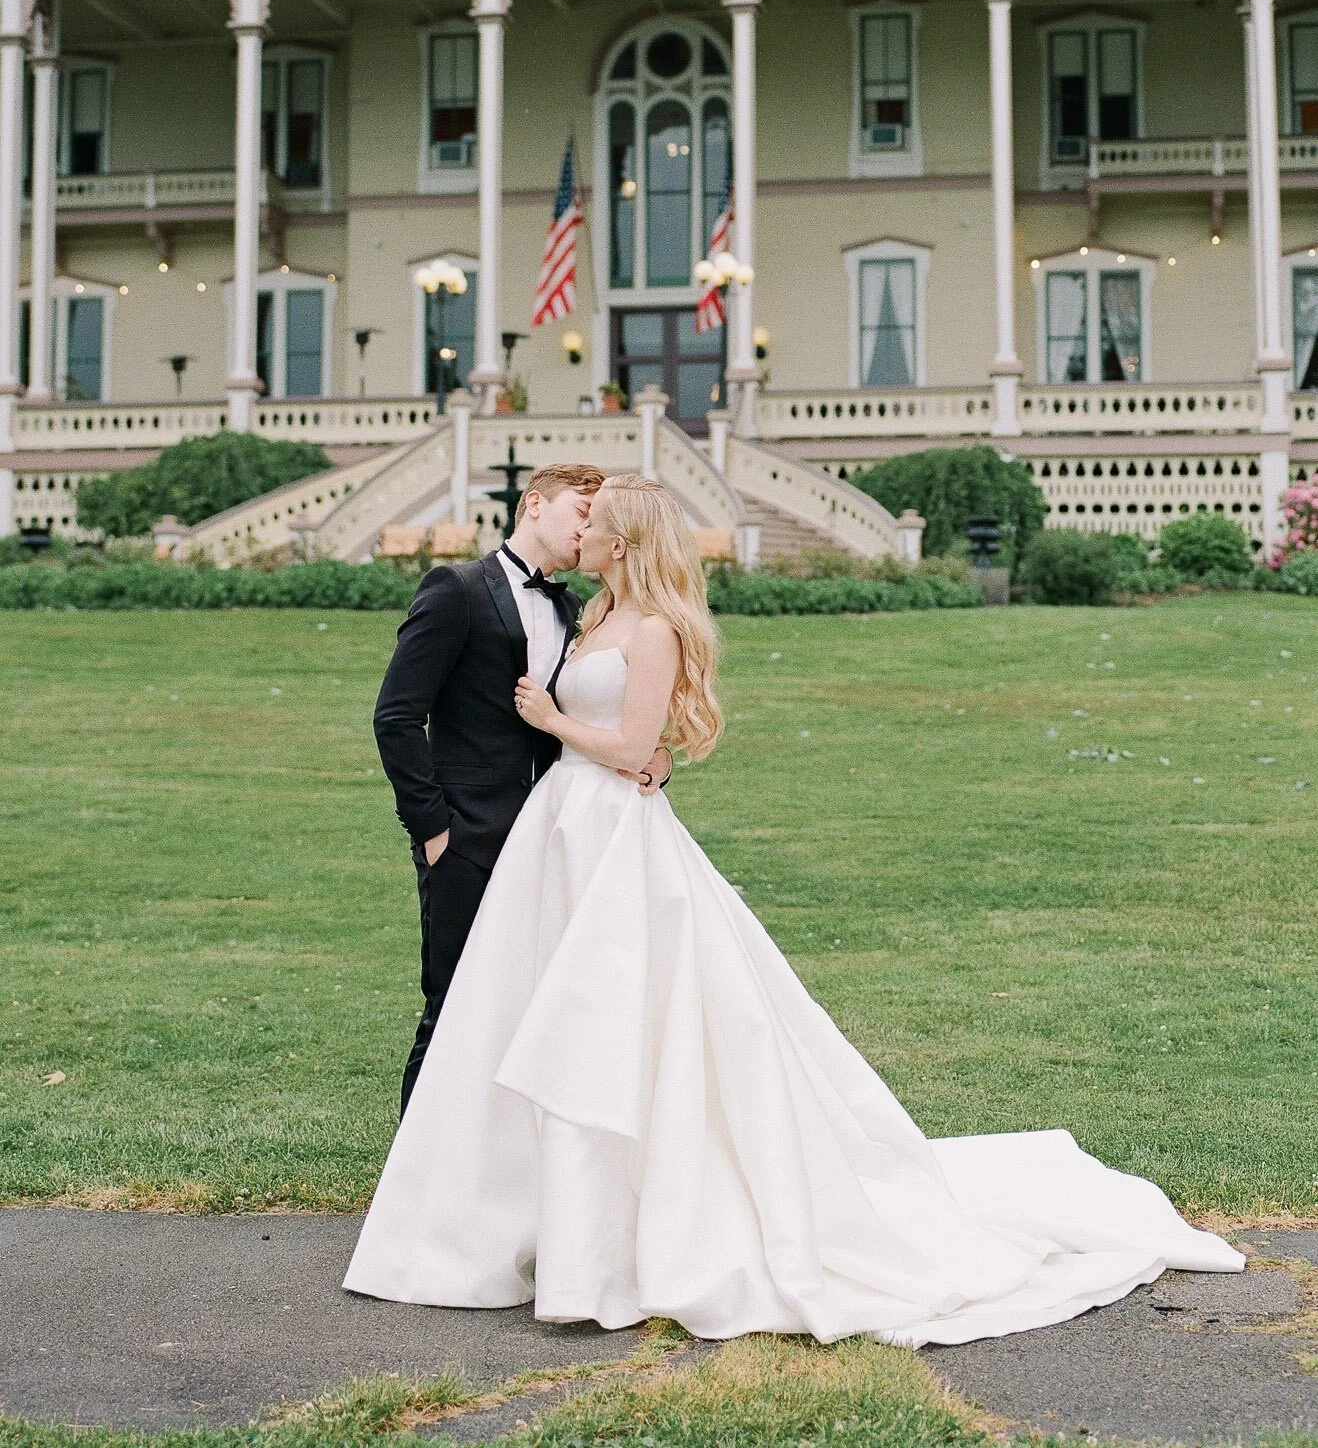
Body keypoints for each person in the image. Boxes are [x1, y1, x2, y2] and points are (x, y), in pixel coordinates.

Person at [346, 474, 1243, 1345]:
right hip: (553, 836)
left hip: (613, 839)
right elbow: (438, 715)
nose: (582, 534)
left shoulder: (650, 627)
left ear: (622, 539)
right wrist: (466, 811)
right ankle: (496, 1208)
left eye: (597, 522)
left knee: (625, 1017)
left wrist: (573, 731)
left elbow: (628, 737)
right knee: (512, 1014)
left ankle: (632, 1227)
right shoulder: (587, 614)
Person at [372, 462, 671, 1115]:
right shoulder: (456, 589)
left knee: (540, 1016)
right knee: (453, 1011)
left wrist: (655, 757)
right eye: (580, 512)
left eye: (598, 519)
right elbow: (396, 717)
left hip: (558, 841)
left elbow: (605, 714)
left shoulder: (583, 612)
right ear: (535, 504)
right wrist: (433, 830)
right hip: (467, 840)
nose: (588, 528)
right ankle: (414, 1188)